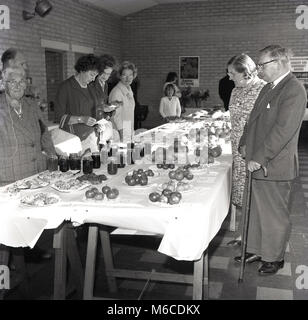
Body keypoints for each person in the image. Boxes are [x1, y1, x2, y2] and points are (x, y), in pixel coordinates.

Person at [236, 45, 307, 275]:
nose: (258, 70)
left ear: (278, 62)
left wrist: (259, 157)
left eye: (262, 65)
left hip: (272, 164)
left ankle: (274, 258)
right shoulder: (268, 86)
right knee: (255, 211)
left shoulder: (294, 90)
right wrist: (244, 142)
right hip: (257, 160)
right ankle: (257, 249)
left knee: (274, 215)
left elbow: (283, 130)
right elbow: (252, 120)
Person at [0, 66, 57, 290]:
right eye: (12, 81)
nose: (17, 85)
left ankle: (24, 265)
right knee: (8, 229)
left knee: (31, 221)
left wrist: (51, 152)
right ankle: (9, 279)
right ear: (3, 83)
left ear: (27, 83)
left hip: (35, 171)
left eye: (21, 81)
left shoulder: (32, 104)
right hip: (9, 174)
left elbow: (44, 131)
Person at [227, 54, 266, 246]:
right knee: (241, 192)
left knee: (253, 192)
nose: (229, 77)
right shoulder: (235, 90)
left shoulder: (262, 89)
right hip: (237, 148)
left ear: (246, 72)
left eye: (233, 73)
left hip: (252, 149)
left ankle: (252, 237)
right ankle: (244, 233)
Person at [54, 54, 103, 152]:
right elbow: (59, 117)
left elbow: (94, 110)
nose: (93, 79)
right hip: (74, 140)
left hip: (91, 137)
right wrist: (81, 119)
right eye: (92, 75)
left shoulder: (91, 88)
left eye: (96, 76)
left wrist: (98, 123)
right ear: (82, 70)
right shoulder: (66, 87)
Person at [108, 61, 137, 141]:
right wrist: (122, 133)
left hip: (128, 127)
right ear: (120, 76)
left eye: (130, 75)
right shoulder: (117, 92)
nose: (128, 78)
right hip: (119, 131)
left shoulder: (129, 89)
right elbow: (115, 116)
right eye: (124, 75)